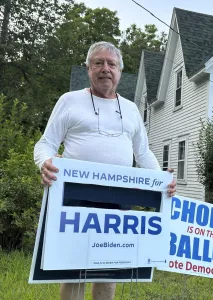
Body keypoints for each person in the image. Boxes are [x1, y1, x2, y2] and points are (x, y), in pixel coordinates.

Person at [34, 41, 176, 300]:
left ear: (120, 71)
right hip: (75, 195)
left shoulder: (132, 109)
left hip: (120, 199)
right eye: (98, 63)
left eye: (111, 64)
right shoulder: (69, 101)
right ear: (88, 68)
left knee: (109, 267)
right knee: (73, 267)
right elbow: (46, 143)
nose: (105, 69)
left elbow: (142, 153)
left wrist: (162, 180)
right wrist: (45, 162)